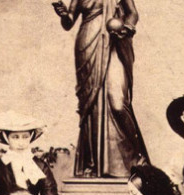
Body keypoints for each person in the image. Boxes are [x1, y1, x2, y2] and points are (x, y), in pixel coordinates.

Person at [52, 0, 149, 177]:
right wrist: (64, 14)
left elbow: (133, 13)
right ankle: (94, 164)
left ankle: (135, 157)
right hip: (88, 42)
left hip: (115, 42)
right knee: (93, 106)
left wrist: (127, 27)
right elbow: (69, 22)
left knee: (118, 103)